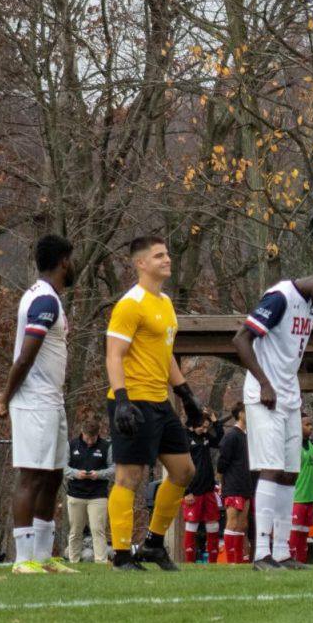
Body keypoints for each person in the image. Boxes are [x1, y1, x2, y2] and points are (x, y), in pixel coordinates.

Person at [233, 266, 313, 571]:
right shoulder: (279, 297)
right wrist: (263, 383)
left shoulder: (310, 304)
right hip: (265, 395)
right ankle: (261, 553)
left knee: (289, 472)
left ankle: (283, 552)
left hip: (289, 395)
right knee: (271, 469)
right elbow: (241, 339)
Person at [104, 236, 205, 572]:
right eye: (159, 256)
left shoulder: (165, 303)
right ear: (140, 264)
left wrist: (187, 397)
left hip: (161, 402)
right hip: (133, 401)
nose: (167, 260)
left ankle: (153, 544)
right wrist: (121, 401)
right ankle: (120, 555)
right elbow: (114, 355)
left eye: (168, 254)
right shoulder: (130, 304)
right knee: (129, 477)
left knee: (184, 471)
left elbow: (165, 354)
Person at [0, 236, 80, 574]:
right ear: (64, 262)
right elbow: (26, 355)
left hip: (51, 400)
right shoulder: (44, 301)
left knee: (53, 475)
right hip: (34, 402)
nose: (75, 265)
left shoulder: (47, 297)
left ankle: (43, 557)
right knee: (31, 476)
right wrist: (5, 396)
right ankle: (23, 558)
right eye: (72, 259)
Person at [65, 418, 114, 564]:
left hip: (98, 495)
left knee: (97, 530)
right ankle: (73, 560)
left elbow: (113, 468)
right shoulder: (71, 445)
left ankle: (101, 561)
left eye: (93, 438)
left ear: (98, 434)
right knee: (75, 531)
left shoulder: (106, 446)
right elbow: (63, 467)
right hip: (75, 494)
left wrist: (98, 474)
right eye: (87, 438)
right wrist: (75, 474)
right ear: (82, 433)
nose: (90, 441)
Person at [181, 412, 223, 563]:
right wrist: (187, 491)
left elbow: (219, 440)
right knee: (192, 524)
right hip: (193, 492)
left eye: (206, 427)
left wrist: (215, 421)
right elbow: (180, 467)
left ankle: (213, 561)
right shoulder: (184, 439)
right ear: (192, 426)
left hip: (208, 489)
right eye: (201, 427)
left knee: (213, 524)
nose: (204, 430)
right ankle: (190, 562)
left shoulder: (204, 437)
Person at [217, 404, 256, 564]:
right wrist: (222, 483)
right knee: (232, 523)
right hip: (233, 486)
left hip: (245, 486)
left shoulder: (247, 436)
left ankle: (239, 561)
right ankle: (230, 560)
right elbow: (222, 463)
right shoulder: (231, 435)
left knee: (243, 524)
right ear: (241, 414)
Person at [289, 413, 313, 564]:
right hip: (297, 496)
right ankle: (291, 559)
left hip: (309, 496)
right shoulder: (293, 447)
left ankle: (302, 561)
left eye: (311, 424)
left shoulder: (312, 446)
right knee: (295, 532)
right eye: (307, 424)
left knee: (305, 532)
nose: (310, 427)